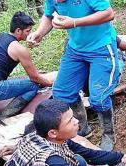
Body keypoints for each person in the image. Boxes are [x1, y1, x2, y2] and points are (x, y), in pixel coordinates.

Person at [27, 0, 121, 151]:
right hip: (75, 49)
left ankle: (108, 134)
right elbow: (49, 15)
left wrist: (75, 22)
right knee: (62, 92)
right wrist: (39, 33)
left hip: (101, 47)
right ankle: (82, 128)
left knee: (99, 98)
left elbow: (108, 13)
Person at [0, 12, 53, 128]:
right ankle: (6, 116)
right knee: (32, 85)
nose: (29, 34)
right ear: (18, 31)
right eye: (28, 31)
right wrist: (51, 83)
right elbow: (34, 78)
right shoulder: (19, 49)